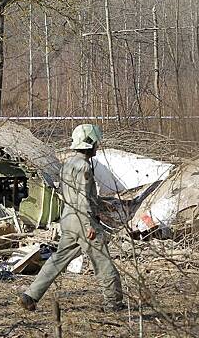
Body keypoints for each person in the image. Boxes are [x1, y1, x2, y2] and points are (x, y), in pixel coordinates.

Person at [18, 124, 124, 312]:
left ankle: (30, 295)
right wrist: (88, 223)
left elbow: (70, 194)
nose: (97, 146)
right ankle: (113, 303)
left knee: (58, 260)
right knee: (103, 263)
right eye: (96, 142)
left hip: (68, 219)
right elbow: (82, 197)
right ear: (89, 143)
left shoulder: (68, 164)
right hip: (82, 222)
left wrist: (99, 204)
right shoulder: (84, 166)